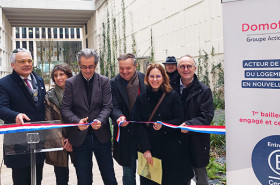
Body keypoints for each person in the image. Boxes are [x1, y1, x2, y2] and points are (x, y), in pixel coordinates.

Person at [61, 48, 117, 185]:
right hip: (80, 138)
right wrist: (77, 121)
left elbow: (108, 106)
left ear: (96, 65)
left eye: (91, 67)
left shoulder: (104, 81)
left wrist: (100, 120)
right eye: (84, 67)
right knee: (83, 178)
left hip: (101, 135)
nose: (87, 70)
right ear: (79, 65)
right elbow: (65, 108)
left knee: (109, 176)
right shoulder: (71, 83)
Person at [132, 64, 193, 185]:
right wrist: (145, 149)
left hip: (171, 150)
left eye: (158, 76)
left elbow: (180, 119)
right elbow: (138, 125)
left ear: (163, 77)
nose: (155, 79)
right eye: (152, 76)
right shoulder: (141, 98)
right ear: (147, 78)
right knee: (151, 182)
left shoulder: (172, 95)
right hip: (151, 150)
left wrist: (164, 125)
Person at [0, 48, 46, 185]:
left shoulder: (39, 80)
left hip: (38, 141)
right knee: (21, 181)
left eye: (29, 61)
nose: (27, 64)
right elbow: (1, 107)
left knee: (37, 179)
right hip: (18, 141)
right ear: (13, 65)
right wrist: (16, 115)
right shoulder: (4, 83)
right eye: (22, 61)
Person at [171, 55, 214, 185]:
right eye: (182, 66)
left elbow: (207, 116)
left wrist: (189, 125)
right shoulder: (169, 87)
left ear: (194, 68)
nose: (186, 69)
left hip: (197, 140)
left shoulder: (204, 90)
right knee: (181, 177)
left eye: (189, 66)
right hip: (176, 140)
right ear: (178, 69)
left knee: (201, 176)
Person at [111, 53, 146, 185]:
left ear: (135, 66)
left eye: (128, 68)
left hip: (144, 133)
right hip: (125, 133)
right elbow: (113, 106)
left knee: (146, 173)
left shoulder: (145, 79)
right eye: (121, 68)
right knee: (128, 174)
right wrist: (119, 116)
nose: (124, 72)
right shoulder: (113, 83)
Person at [45, 63, 73, 185]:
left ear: (68, 75)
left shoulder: (76, 92)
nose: (58, 78)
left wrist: (72, 139)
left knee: (83, 173)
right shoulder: (49, 96)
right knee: (61, 177)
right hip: (59, 140)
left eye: (62, 74)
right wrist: (62, 140)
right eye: (55, 75)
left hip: (76, 138)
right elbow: (49, 120)